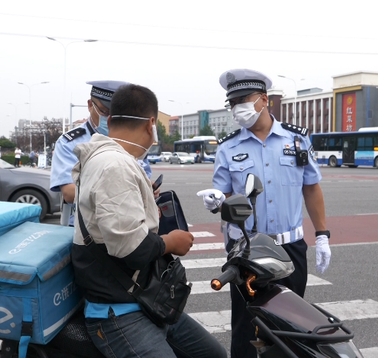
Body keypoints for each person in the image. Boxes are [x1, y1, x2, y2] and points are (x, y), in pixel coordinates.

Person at [71, 84, 226, 358]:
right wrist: (170, 242)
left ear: (110, 119)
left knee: (212, 353)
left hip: (147, 300)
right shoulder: (115, 165)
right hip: (119, 311)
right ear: (151, 123)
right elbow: (130, 248)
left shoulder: (110, 158)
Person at [197, 69, 332, 358]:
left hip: (289, 248)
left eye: (244, 99)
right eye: (232, 102)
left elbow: (311, 187)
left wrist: (322, 235)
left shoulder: (296, 140)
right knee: (247, 326)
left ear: (264, 99)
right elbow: (224, 197)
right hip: (247, 250)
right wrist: (216, 202)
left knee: (292, 324)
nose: (238, 108)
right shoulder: (228, 146)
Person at [50, 80, 153, 226]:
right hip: (86, 227)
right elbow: (69, 193)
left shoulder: (133, 141)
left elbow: (145, 179)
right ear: (90, 105)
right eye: (105, 111)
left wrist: (149, 188)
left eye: (116, 113)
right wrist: (124, 192)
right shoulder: (70, 143)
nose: (110, 118)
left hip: (131, 222)